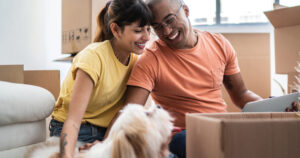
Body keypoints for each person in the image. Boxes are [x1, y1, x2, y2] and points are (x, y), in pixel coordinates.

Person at [123, 0, 262, 157]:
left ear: (186, 11)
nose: (167, 31)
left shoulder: (219, 44)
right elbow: (130, 112)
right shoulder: (150, 60)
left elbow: (241, 94)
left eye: (170, 20)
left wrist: (274, 108)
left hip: (221, 127)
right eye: (158, 27)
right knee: (189, 140)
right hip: (182, 135)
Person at [49, 0, 152, 157]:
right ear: (116, 30)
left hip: (107, 130)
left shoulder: (135, 62)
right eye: (138, 30)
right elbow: (73, 121)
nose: (146, 37)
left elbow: (124, 114)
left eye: (148, 29)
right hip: (76, 128)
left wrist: (106, 142)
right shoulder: (93, 57)